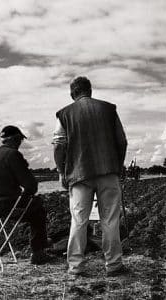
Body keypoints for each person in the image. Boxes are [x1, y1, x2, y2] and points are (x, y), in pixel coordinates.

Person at [53, 76, 128, 277]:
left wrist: (62, 172)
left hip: (79, 175)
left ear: (72, 94)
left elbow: (59, 145)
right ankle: (113, 265)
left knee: (78, 220)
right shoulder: (109, 109)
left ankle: (76, 267)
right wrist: (117, 166)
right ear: (90, 90)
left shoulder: (65, 114)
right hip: (108, 172)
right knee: (110, 220)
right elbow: (122, 141)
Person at [0, 125, 53, 265]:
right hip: (4, 204)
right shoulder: (13, 154)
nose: (20, 143)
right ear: (15, 139)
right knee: (38, 210)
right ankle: (38, 253)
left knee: (31, 205)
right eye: (20, 139)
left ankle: (41, 243)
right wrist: (27, 196)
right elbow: (31, 186)